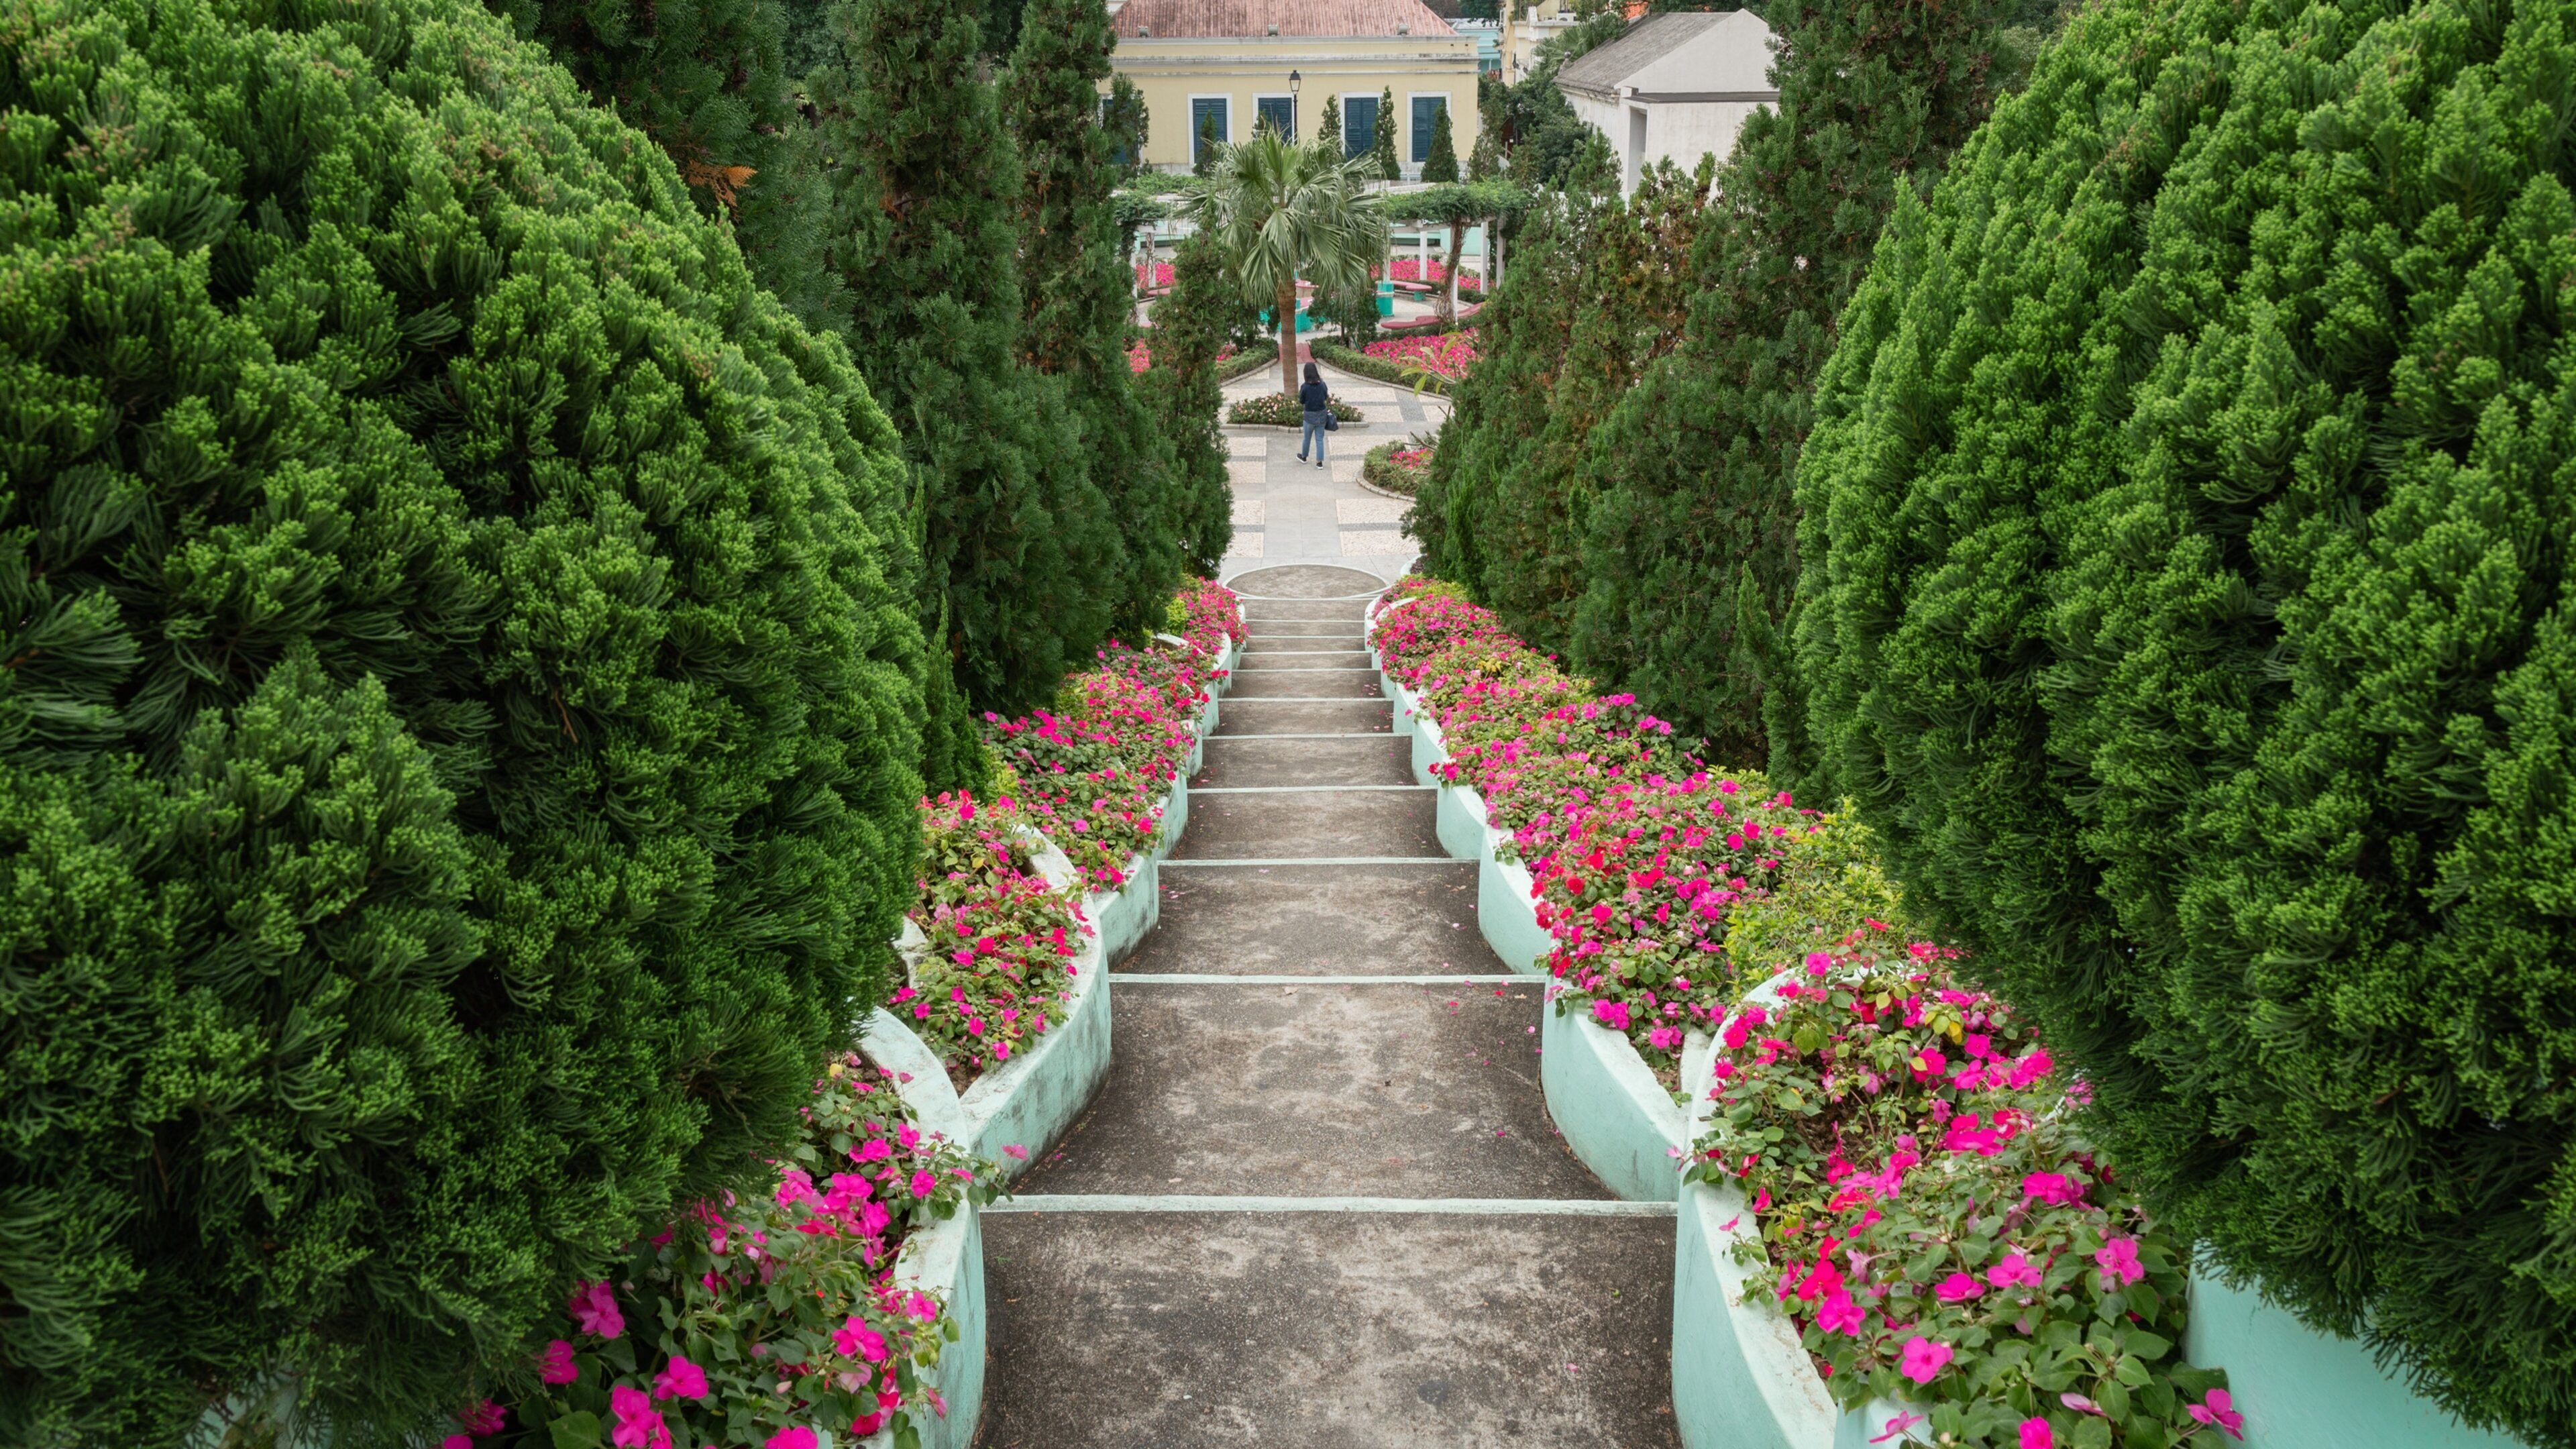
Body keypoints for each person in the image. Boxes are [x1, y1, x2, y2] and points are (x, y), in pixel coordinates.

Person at [1295, 362, 1331, 468]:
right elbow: (1325, 397)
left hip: (1309, 416)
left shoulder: (1305, 387)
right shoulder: (1323, 384)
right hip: (1321, 415)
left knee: (1307, 438)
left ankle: (1304, 457)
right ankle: (1319, 463)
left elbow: (1301, 401)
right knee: (1319, 439)